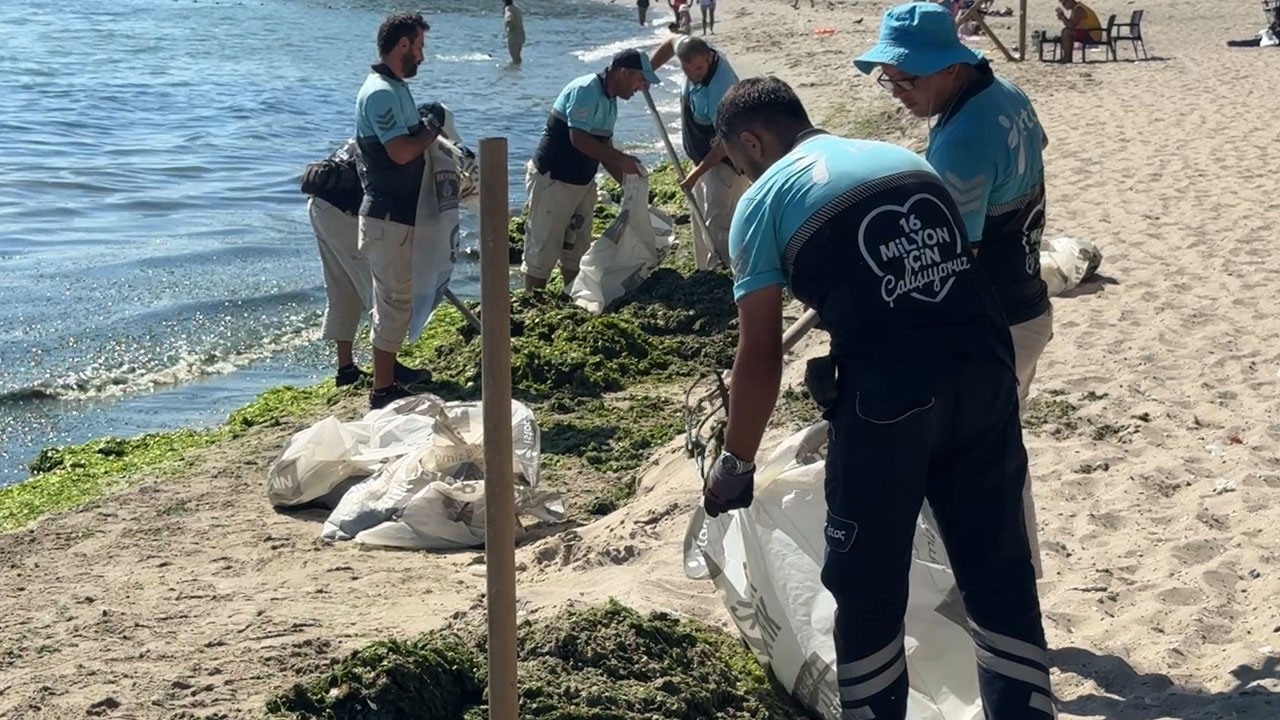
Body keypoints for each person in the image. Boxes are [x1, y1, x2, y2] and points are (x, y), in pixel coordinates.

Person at [704, 75, 1054, 720]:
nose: (739, 170)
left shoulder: (762, 205)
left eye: (734, 157)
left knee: (868, 587)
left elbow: (759, 356)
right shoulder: (905, 160)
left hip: (889, 397)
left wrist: (736, 464)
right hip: (985, 368)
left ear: (749, 141)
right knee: (996, 570)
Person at [855, 1, 1054, 577]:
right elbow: (1032, 154)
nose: (894, 89)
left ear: (950, 68)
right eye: (887, 77)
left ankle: (990, 596)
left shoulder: (960, 141)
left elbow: (947, 261)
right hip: (1026, 302)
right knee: (995, 456)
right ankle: (1013, 583)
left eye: (906, 77)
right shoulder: (1005, 92)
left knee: (965, 467)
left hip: (993, 326)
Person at [354, 11, 441, 409]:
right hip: (387, 216)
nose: (422, 56)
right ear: (402, 45)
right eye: (419, 47)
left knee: (397, 298)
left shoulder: (395, 87)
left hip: (399, 215)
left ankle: (388, 373)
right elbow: (401, 151)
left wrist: (425, 123)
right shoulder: (381, 93)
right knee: (392, 301)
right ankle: (382, 390)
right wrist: (430, 131)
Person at [522, 49, 660, 290]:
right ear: (623, 72)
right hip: (553, 179)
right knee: (542, 250)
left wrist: (629, 187)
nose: (642, 86)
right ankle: (532, 302)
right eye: (640, 79)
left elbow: (604, 149)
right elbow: (579, 139)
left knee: (576, 250)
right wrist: (622, 158)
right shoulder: (586, 90)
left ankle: (572, 300)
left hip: (583, 183)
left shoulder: (611, 103)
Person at [649, 36, 747, 270]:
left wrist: (694, 174)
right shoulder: (690, 49)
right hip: (701, 158)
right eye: (687, 69)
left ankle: (728, 273)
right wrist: (648, 72)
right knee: (699, 215)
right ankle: (705, 270)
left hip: (725, 164)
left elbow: (724, 143)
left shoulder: (721, 88)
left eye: (699, 69)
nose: (693, 74)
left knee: (718, 222)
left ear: (709, 57)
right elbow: (672, 41)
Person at [503, 0, 524, 65]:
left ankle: (514, 73)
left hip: (513, 36)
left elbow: (509, 19)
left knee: (515, 58)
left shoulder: (508, 9)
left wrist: (508, 28)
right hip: (521, 35)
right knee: (517, 57)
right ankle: (518, 71)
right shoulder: (517, 9)